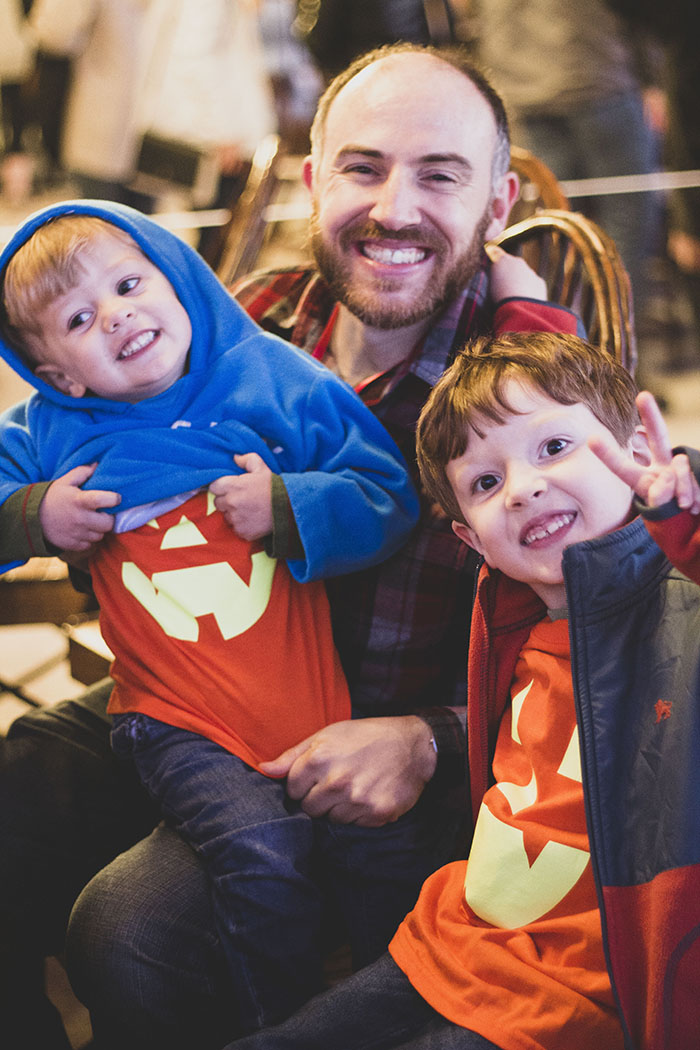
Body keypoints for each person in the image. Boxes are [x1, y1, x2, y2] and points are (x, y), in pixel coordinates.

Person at [0, 44, 581, 1049]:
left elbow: (599, 646)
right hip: (197, 679)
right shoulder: (244, 316)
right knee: (27, 774)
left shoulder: (525, 382)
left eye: (438, 175)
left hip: (378, 727)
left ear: (496, 206)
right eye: (362, 168)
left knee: (127, 930)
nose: (392, 207)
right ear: (315, 182)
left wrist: (429, 738)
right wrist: (57, 519)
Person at [0, 199, 419, 1034]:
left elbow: (390, 495)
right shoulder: (54, 429)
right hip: (173, 718)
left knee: (377, 861)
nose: (117, 313)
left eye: (129, 283)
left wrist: (289, 503)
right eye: (80, 317)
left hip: (310, 696)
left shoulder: (274, 379)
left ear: (178, 280)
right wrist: (36, 517)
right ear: (61, 374)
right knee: (258, 853)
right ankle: (278, 1029)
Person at [220, 330, 700, 1050]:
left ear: (633, 451)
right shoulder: (513, 624)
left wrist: (683, 525)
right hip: (456, 942)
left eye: (554, 448)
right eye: (485, 483)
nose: (524, 487)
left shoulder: (680, 606)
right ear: (472, 542)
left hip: (583, 994)